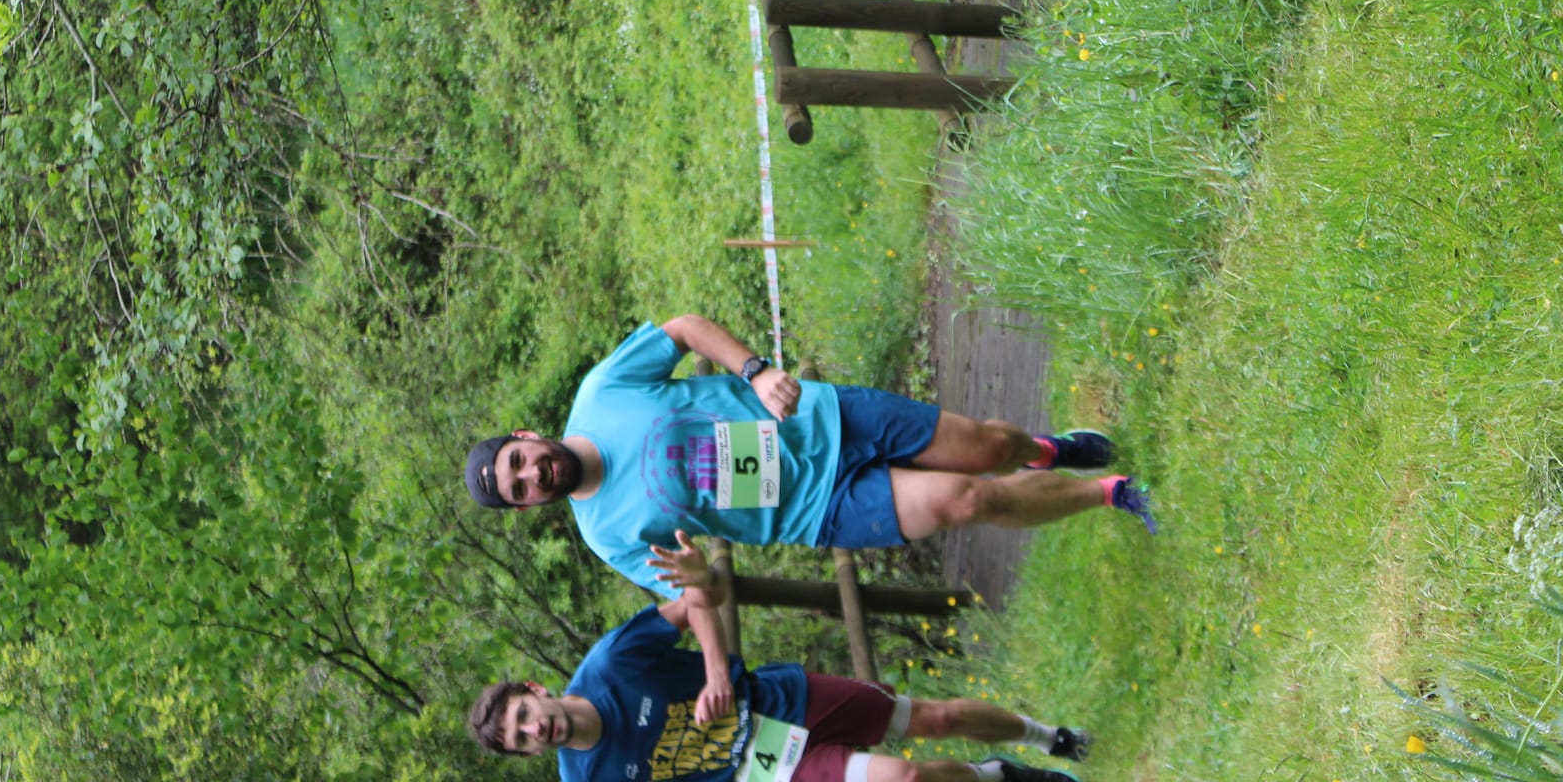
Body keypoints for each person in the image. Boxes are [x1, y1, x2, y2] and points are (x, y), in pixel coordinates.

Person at [466, 533, 1089, 782]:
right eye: (521, 741)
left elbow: (698, 599)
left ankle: (1044, 736)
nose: (533, 731)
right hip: (762, 768)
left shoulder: (610, 663)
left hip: (783, 699)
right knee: (903, 780)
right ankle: (1001, 777)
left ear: (535, 691)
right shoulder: (582, 780)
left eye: (524, 716)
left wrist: (714, 670)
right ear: (527, 754)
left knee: (931, 717)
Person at [464, 314, 1156, 608]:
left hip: (825, 416)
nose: (531, 473)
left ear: (526, 435)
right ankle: (1111, 492)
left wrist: (755, 370)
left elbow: (680, 329)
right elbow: (701, 596)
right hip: (815, 508)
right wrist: (701, 578)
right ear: (528, 505)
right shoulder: (605, 533)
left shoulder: (600, 394)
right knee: (970, 500)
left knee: (987, 447)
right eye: (518, 487)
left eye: (518, 460)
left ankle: (1047, 449)